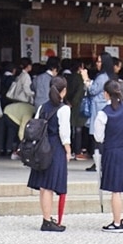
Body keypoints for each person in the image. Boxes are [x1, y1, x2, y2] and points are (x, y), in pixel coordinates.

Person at [93, 79, 123, 231]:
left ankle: (116, 223)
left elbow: (98, 137)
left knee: (115, 190)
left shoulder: (103, 114)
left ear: (106, 94)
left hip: (112, 151)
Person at [28, 77, 72, 231]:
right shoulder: (64, 109)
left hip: (41, 148)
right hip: (55, 147)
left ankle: (46, 217)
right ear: (64, 91)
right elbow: (64, 133)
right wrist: (68, 150)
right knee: (49, 186)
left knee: (44, 185)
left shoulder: (42, 107)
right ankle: (47, 221)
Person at [80, 52, 116, 172]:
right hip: (104, 107)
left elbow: (93, 90)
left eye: (99, 61)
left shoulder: (102, 77)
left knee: (98, 137)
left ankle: (98, 163)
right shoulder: (110, 76)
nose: (97, 63)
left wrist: (85, 78)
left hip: (99, 109)